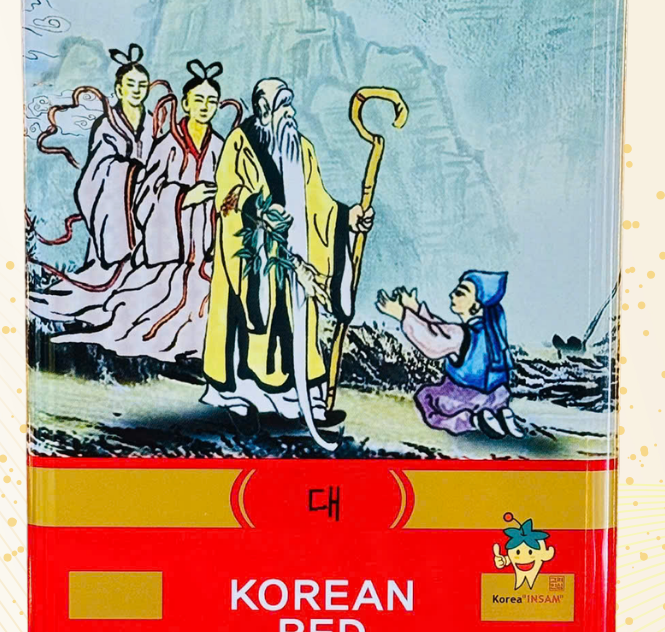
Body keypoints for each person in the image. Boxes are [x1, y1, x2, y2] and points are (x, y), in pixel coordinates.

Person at [201, 77, 374, 422]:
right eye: (282, 104)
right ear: (263, 109)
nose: (290, 112)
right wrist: (258, 210)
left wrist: (347, 217)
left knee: (295, 322)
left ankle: (299, 402)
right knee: (251, 322)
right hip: (252, 254)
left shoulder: (301, 148)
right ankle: (244, 397)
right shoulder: (239, 144)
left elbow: (318, 202)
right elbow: (227, 195)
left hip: (294, 255)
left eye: (290, 103)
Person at [54, 61, 225, 360]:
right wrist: (183, 197)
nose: (204, 106)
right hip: (168, 253)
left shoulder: (219, 147)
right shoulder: (168, 144)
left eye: (211, 101)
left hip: (204, 247)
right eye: (198, 99)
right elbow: (146, 194)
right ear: (185, 103)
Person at [28, 45, 159, 324]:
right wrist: (131, 171)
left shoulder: (153, 124)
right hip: (115, 205)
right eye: (131, 84)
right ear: (119, 88)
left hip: (145, 202)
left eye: (142, 85)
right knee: (109, 273)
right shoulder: (107, 124)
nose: (136, 90)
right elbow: (99, 168)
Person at [376, 270, 524, 436]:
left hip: (466, 399)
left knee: (426, 398)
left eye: (460, 293)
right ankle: (501, 413)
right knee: (490, 400)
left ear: (476, 305)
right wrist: (415, 308)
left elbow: (432, 340)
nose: (452, 294)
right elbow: (440, 329)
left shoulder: (460, 334)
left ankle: (472, 420)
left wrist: (402, 314)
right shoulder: (492, 332)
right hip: (497, 396)